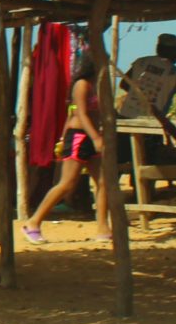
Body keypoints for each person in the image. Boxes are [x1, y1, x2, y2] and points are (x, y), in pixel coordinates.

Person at [21, 54, 110, 245]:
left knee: (103, 182)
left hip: (93, 135)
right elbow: (80, 114)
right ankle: (33, 222)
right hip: (80, 136)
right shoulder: (82, 85)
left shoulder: (98, 86)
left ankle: (103, 227)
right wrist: (94, 138)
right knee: (67, 183)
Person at [119, 33, 176, 120]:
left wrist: (140, 93)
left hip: (126, 115)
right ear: (169, 50)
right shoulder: (175, 73)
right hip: (152, 121)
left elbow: (124, 84)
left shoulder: (141, 62)